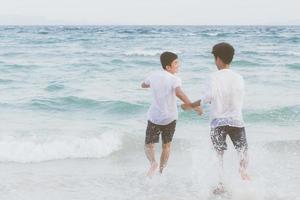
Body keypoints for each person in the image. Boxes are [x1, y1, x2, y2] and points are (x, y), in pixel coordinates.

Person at [181, 43, 250, 193]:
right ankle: (244, 178)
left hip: (218, 122)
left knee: (218, 154)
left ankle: (220, 185)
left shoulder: (213, 77)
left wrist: (191, 105)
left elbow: (208, 97)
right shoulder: (238, 77)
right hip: (237, 120)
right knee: (242, 151)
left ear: (218, 59)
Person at [141, 51, 202, 177]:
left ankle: (153, 163)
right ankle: (161, 171)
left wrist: (152, 85)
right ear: (168, 67)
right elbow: (179, 93)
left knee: (148, 144)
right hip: (170, 117)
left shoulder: (154, 75)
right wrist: (192, 105)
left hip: (154, 117)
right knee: (166, 146)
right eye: (175, 63)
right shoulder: (175, 79)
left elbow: (143, 84)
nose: (178, 65)